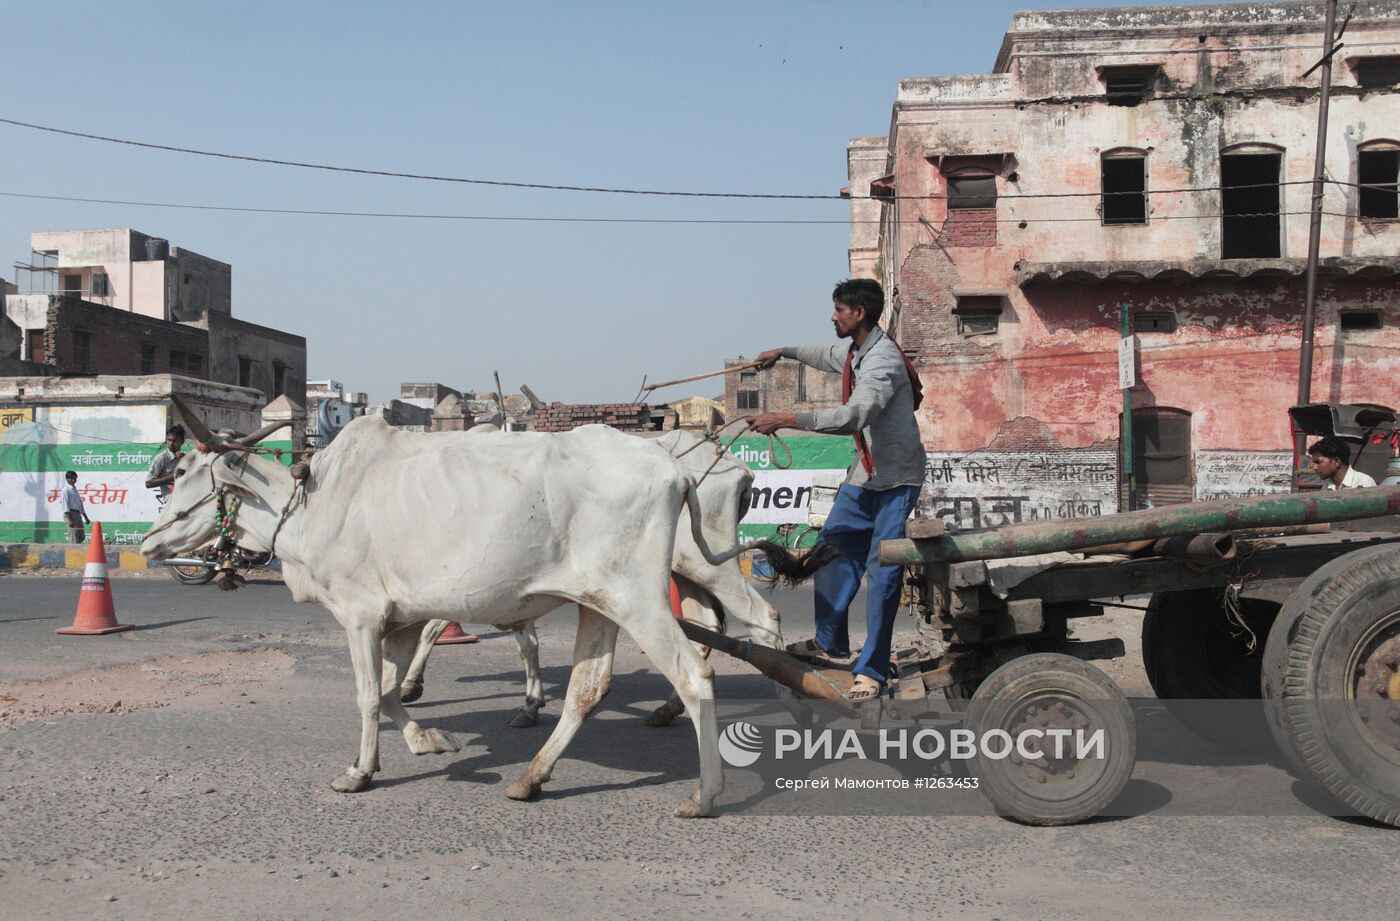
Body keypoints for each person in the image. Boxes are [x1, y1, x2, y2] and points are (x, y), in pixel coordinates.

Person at [748, 278, 925, 701]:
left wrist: (787, 418)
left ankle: (873, 670)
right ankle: (830, 643)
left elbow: (853, 416)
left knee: (882, 577)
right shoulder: (855, 353)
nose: (833, 316)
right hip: (864, 476)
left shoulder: (882, 362)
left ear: (858, 314)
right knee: (828, 553)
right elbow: (822, 355)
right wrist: (783, 351)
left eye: (838, 310)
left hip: (896, 481)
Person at [1308, 435, 1377, 490]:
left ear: (1336, 461)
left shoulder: (1364, 483)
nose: (1314, 467)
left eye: (1318, 462)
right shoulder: (1326, 487)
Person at [146, 424, 187, 501]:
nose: (171, 443)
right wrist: (173, 476)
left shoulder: (186, 457)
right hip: (171, 499)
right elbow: (148, 483)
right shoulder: (161, 458)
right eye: (169, 440)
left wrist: (185, 462)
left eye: (174, 441)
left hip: (187, 496)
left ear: (182, 441)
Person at [60, 470, 91, 544]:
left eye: (74, 478)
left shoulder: (74, 489)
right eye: (71, 478)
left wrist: (85, 516)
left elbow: (80, 504)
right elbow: (65, 505)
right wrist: (69, 519)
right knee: (73, 536)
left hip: (77, 514)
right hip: (70, 514)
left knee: (81, 535)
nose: (73, 480)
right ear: (67, 479)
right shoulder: (65, 490)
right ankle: (72, 552)